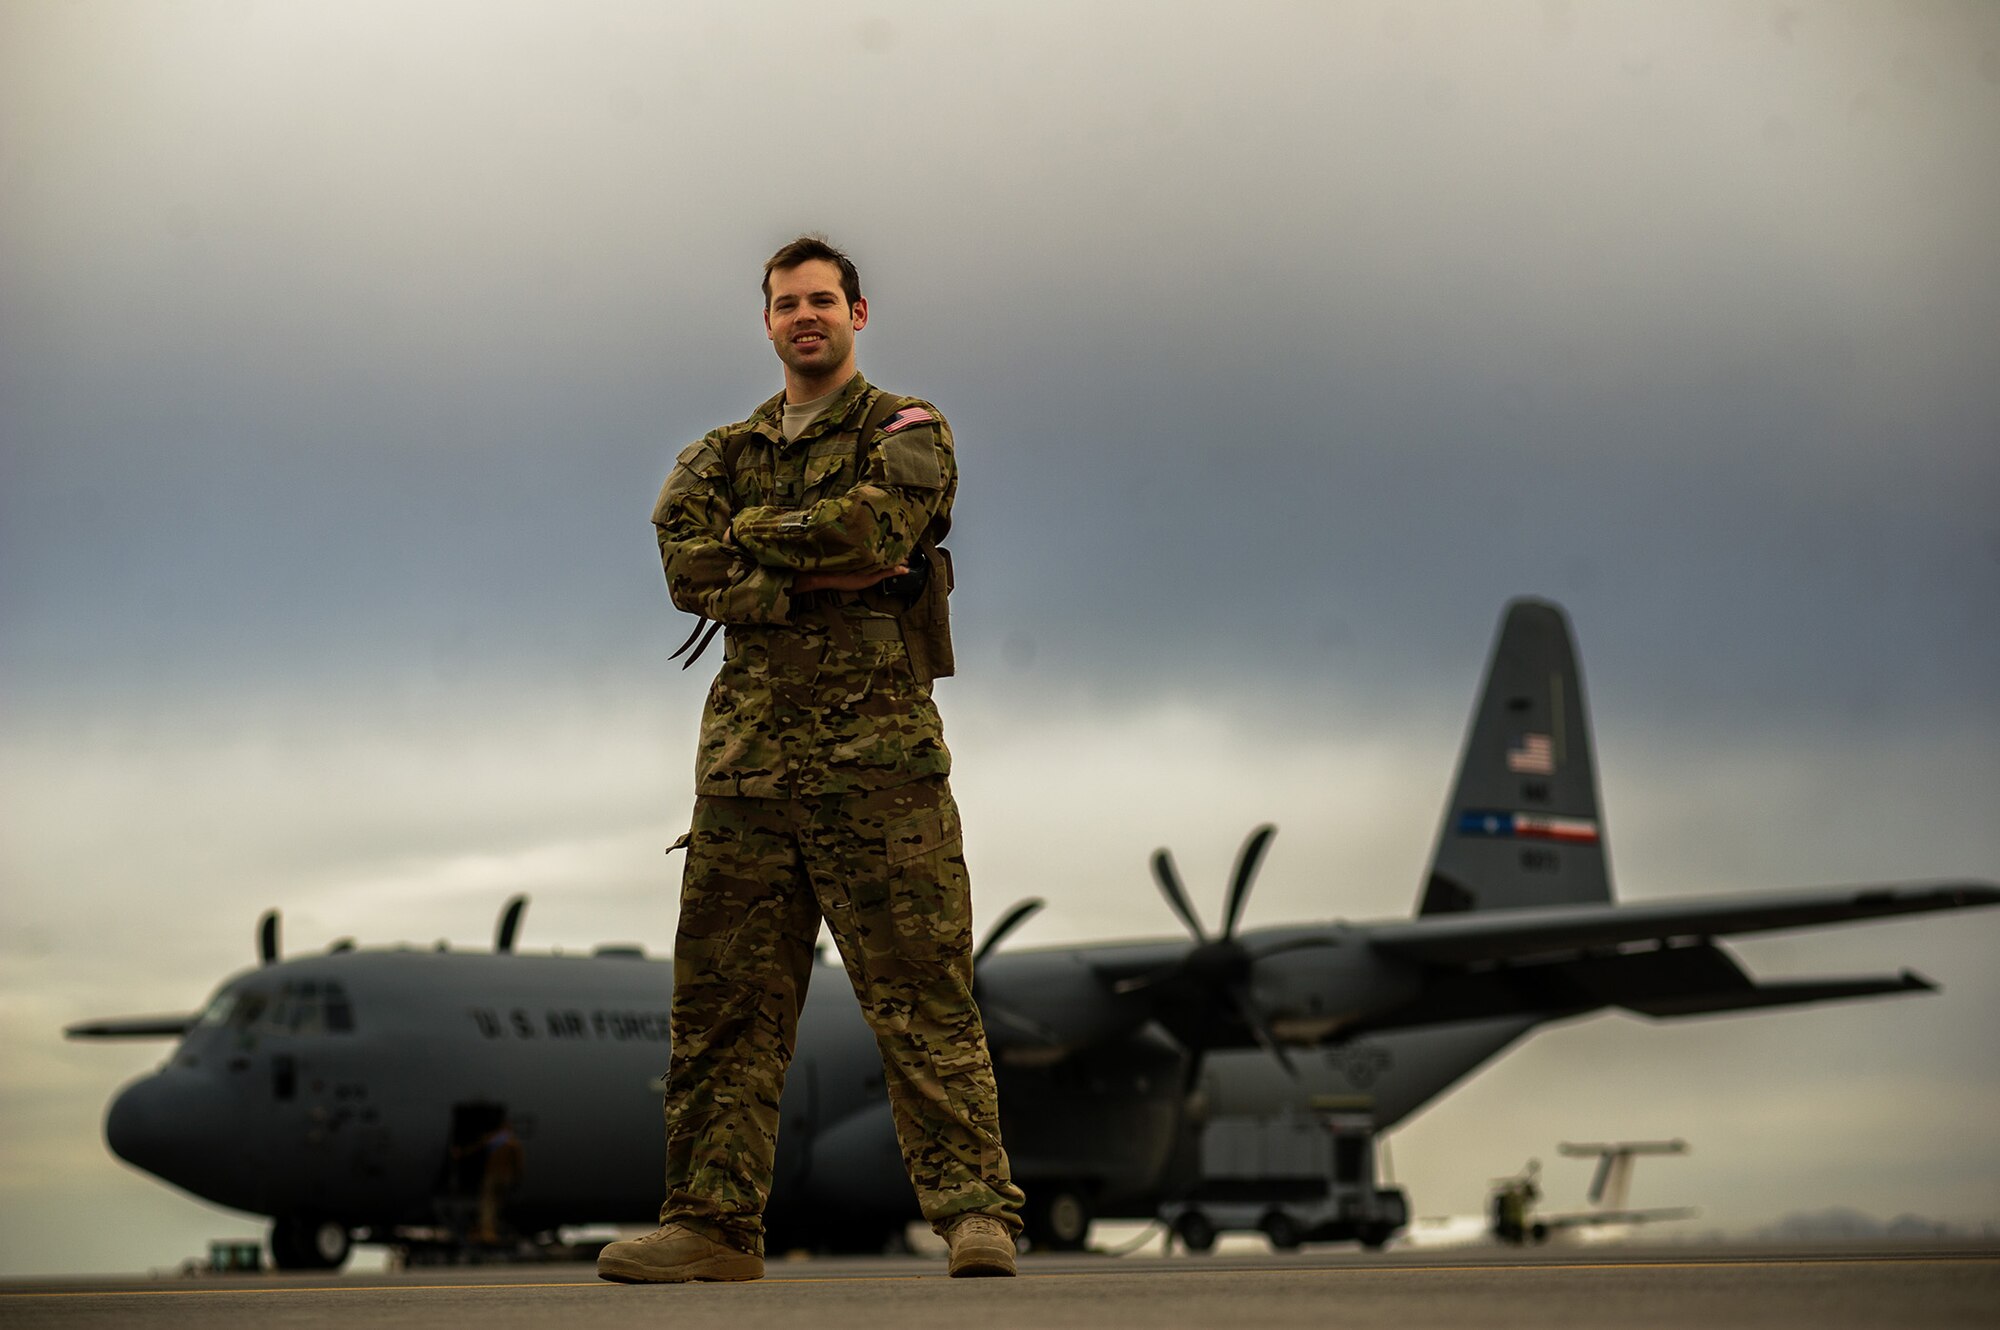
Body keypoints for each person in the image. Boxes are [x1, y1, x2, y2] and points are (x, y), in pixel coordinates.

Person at [597, 236, 1025, 1285]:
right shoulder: (719, 453)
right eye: (788, 303)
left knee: (922, 1000)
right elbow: (684, 562)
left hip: (881, 771)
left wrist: (760, 548)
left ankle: (975, 1214)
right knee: (722, 1013)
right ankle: (710, 1227)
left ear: (857, 314)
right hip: (745, 775)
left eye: (823, 300)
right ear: (767, 321)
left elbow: (881, 530)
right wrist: (814, 568)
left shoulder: (908, 428)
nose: (805, 316)